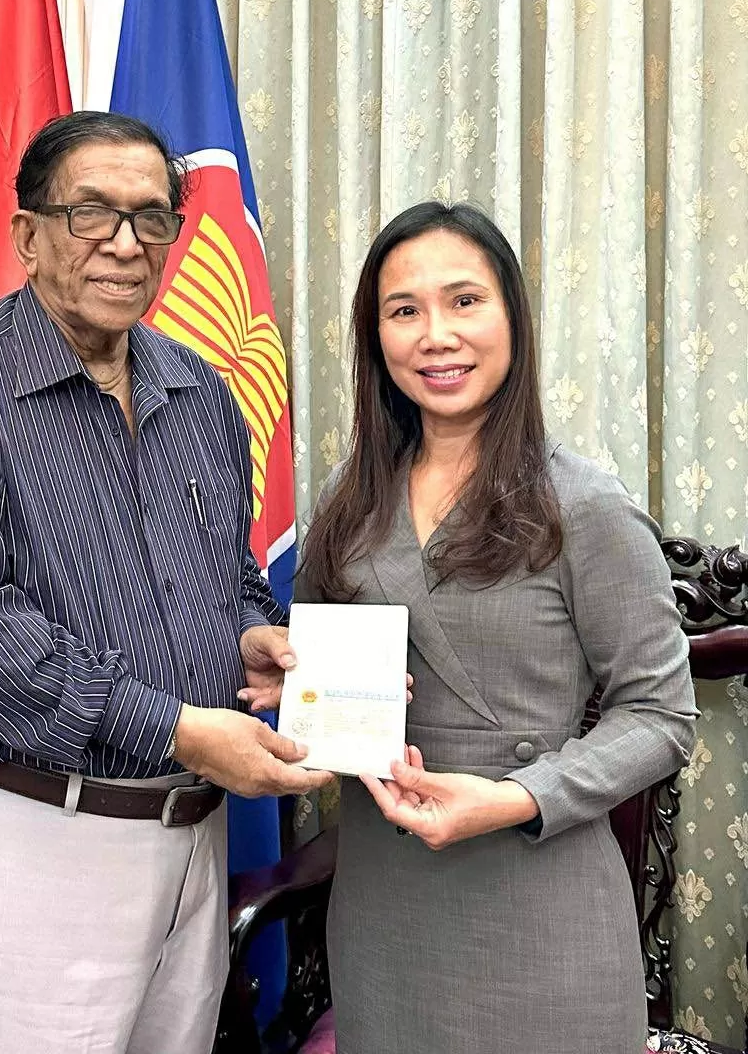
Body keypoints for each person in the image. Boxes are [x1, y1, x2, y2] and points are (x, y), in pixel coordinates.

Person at [0, 110, 331, 1054]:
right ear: (28, 237)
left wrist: (249, 632)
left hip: (188, 836)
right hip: (25, 834)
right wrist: (172, 727)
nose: (126, 244)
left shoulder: (201, 391)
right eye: (92, 213)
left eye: (152, 217)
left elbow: (230, 568)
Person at [299, 200, 697, 1054]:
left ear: (512, 316)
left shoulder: (583, 505)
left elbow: (662, 718)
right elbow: (317, 668)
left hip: (535, 893)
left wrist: (517, 797)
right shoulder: (347, 499)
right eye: (404, 311)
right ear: (377, 338)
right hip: (385, 899)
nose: (435, 334)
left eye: (465, 301)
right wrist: (286, 676)